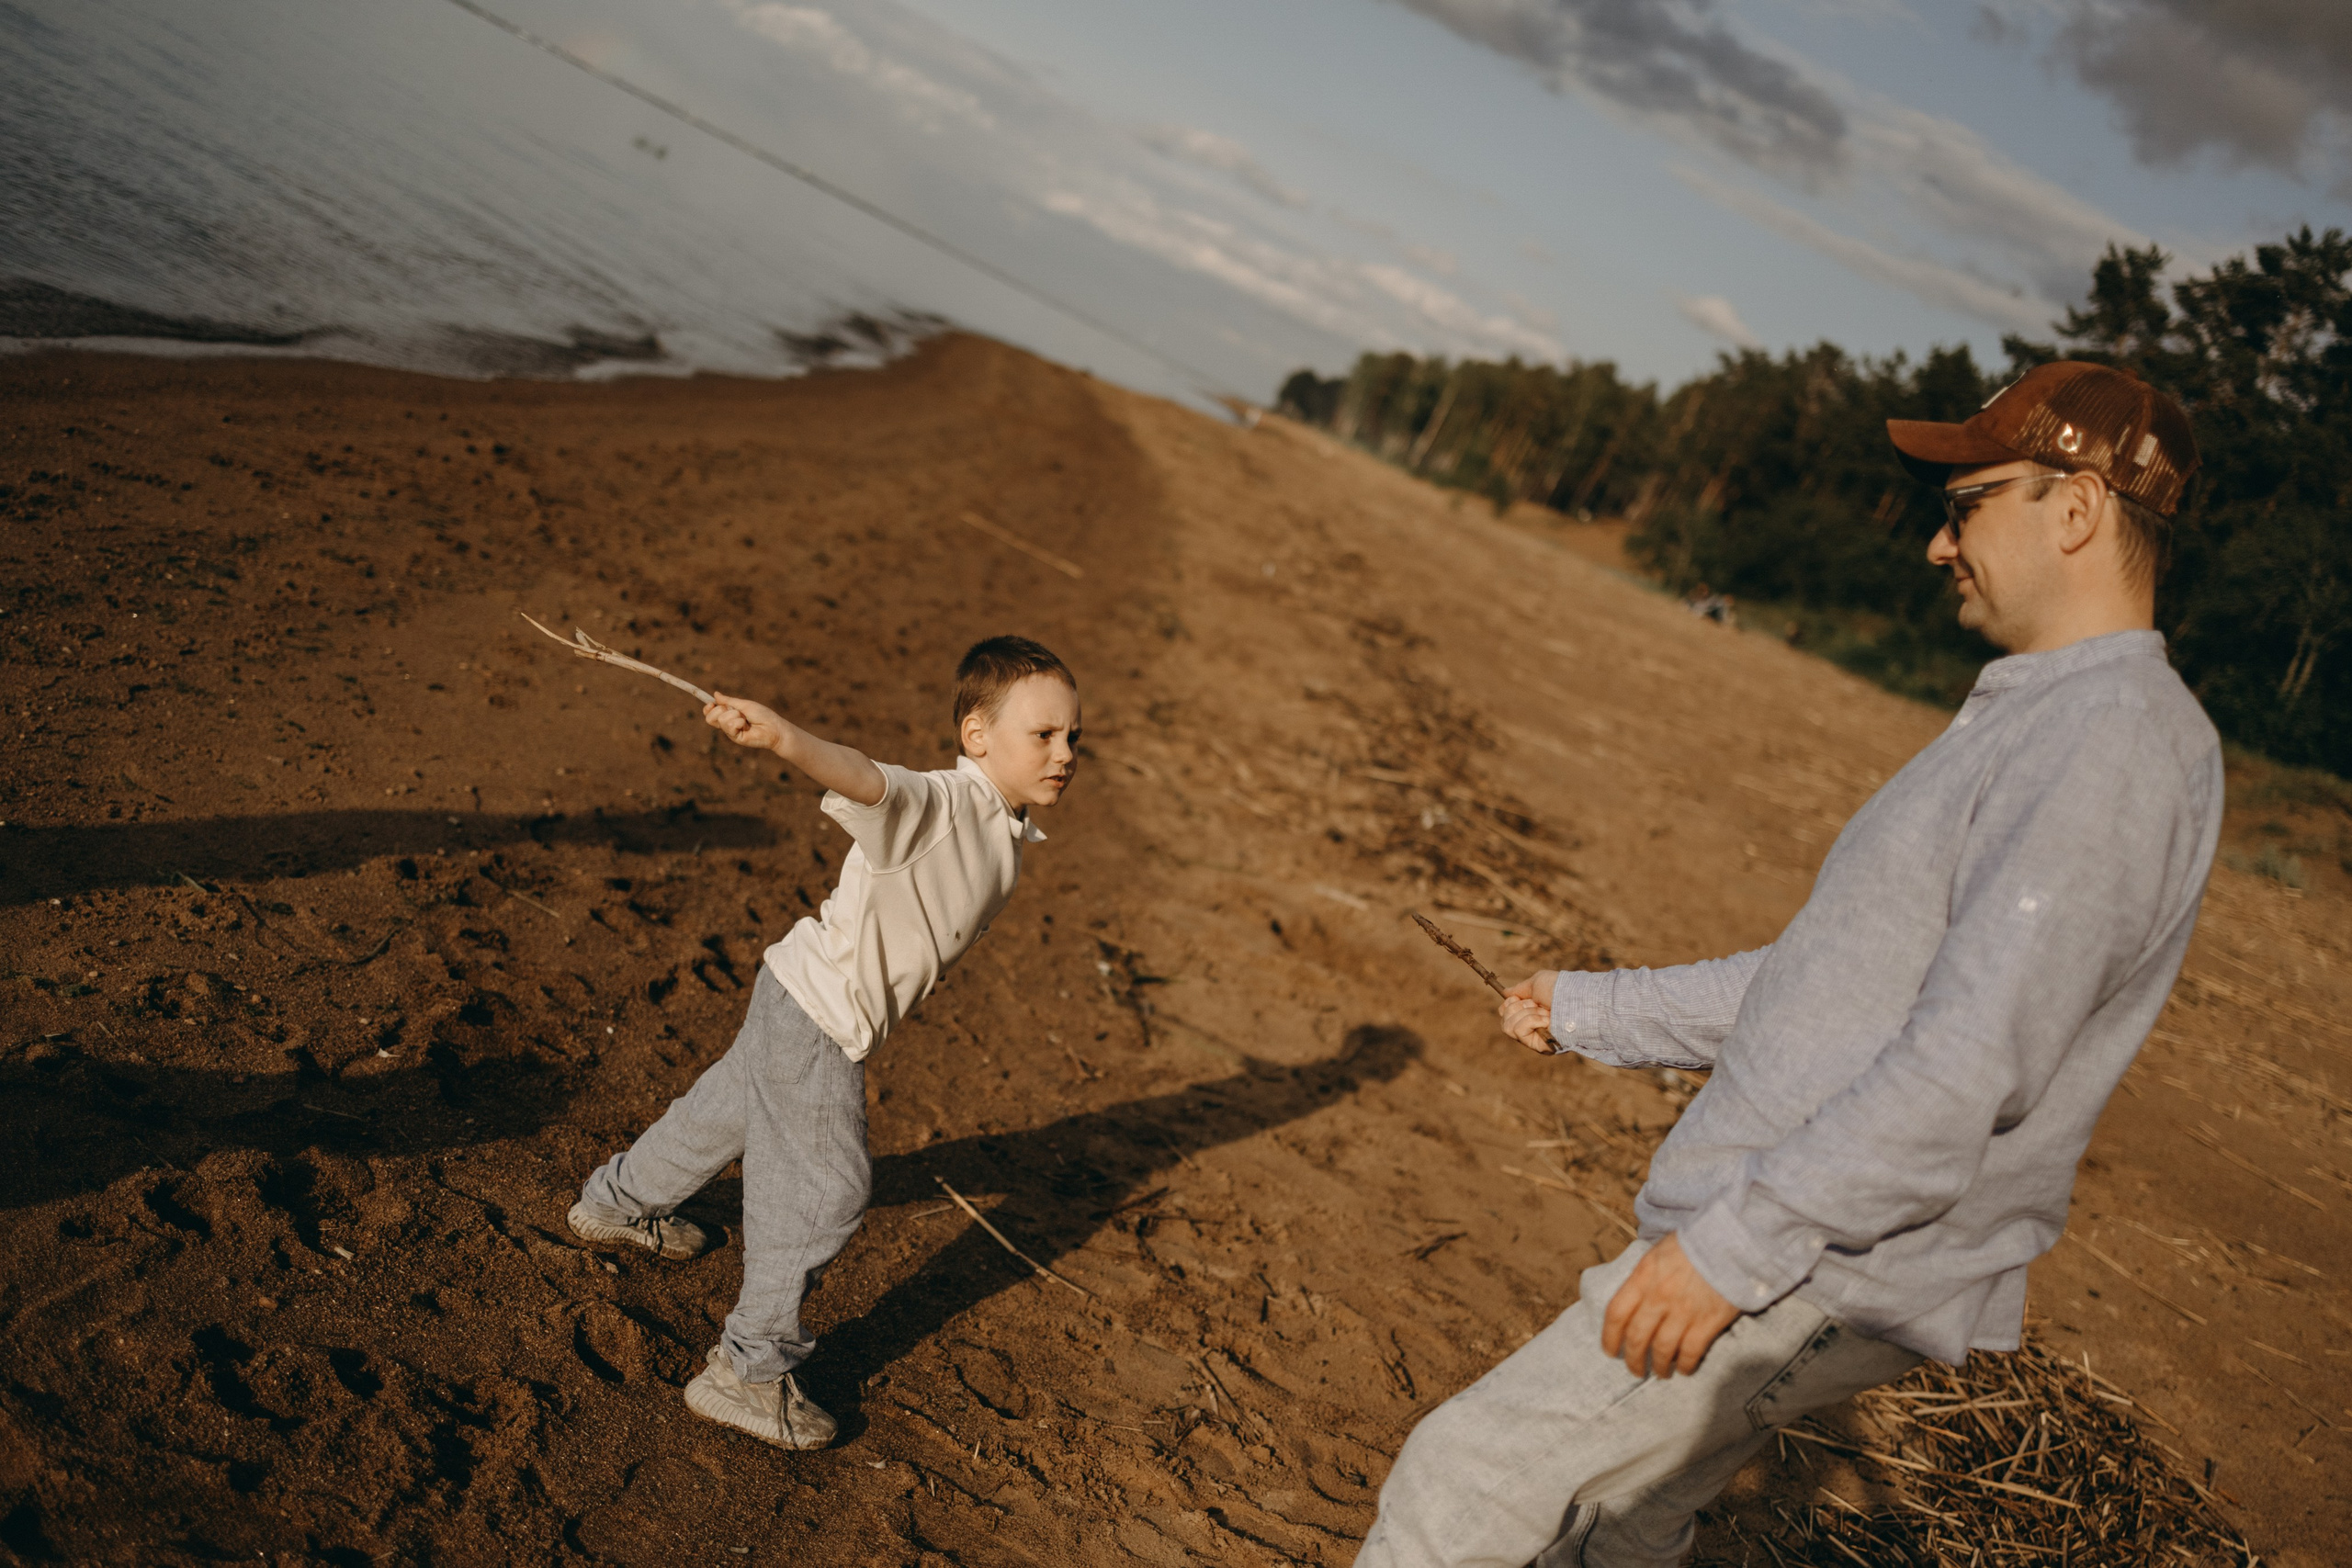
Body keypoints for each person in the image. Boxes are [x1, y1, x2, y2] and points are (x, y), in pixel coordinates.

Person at [1354, 362, 2220, 1567]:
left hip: (1821, 1260)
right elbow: (1830, 988)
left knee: (1466, 1477)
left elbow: (1972, 1064)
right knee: (1621, 1521)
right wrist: (1595, 1008)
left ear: (2074, 507)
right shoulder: (2051, 718)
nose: (1937, 542)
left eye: (1966, 503)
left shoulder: (2107, 741)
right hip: (1811, 1245)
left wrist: (1730, 1252)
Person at [563, 636, 1080, 1450]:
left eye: (1072, 737)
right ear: (977, 735)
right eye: (1043, 734)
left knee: (723, 1114)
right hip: (817, 1015)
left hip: (794, 993)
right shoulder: (943, 803)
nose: (1064, 752)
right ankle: (748, 1368)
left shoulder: (1003, 824)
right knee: (828, 1190)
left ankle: (614, 1202)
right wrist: (782, 737)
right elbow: (868, 778)